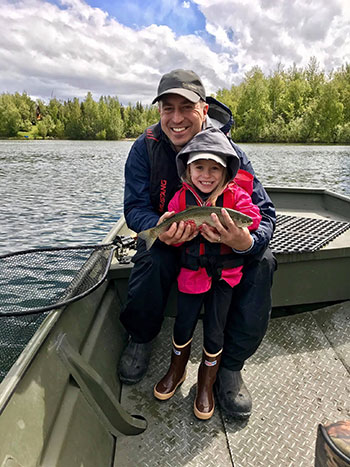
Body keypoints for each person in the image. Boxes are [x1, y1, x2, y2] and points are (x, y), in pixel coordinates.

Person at [119, 69, 276, 419]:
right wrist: (155, 225)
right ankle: (141, 338)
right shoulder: (144, 147)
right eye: (167, 109)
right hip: (172, 238)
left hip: (221, 253)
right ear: (159, 112)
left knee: (262, 261)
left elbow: (263, 213)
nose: (175, 119)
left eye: (185, 107)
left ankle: (230, 367)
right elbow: (134, 208)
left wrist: (245, 240)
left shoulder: (228, 151)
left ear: (203, 110)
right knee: (150, 256)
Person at [153, 127, 262, 420]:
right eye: (199, 167)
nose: (206, 174)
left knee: (215, 332)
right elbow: (171, 226)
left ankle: (206, 382)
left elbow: (253, 220)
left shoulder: (237, 197)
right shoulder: (180, 199)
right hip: (190, 276)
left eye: (215, 168)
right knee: (182, 326)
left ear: (226, 171)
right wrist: (170, 232)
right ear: (188, 169)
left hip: (224, 280)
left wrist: (237, 232)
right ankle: (176, 371)